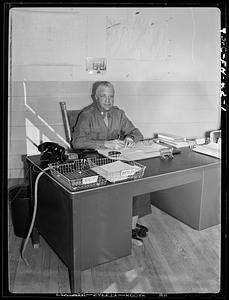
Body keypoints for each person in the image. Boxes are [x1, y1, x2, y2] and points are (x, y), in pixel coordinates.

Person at [72, 81, 152, 245]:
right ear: (95, 97)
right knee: (120, 183)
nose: (108, 100)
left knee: (140, 179)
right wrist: (105, 144)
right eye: (103, 96)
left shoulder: (119, 113)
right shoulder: (87, 115)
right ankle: (119, 226)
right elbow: (77, 142)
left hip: (116, 158)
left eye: (111, 96)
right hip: (93, 161)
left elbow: (137, 133)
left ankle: (129, 225)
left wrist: (129, 137)